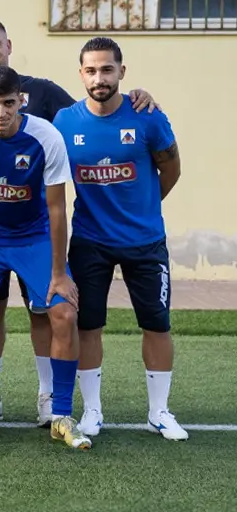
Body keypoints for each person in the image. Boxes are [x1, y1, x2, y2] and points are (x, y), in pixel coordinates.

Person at [0, 16, 156, 423]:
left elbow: (90, 110)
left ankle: (52, 402)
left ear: (9, 45)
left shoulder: (44, 100)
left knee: (50, 312)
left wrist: (133, 100)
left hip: (34, 234)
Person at [0, 65, 89, 449]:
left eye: (9, 103)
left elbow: (58, 209)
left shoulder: (46, 137)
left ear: (21, 101)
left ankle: (60, 413)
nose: (1, 112)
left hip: (34, 237)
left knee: (63, 312)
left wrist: (59, 273)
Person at [55, 38, 186, 440]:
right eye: (91, 71)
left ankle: (159, 412)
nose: (99, 78)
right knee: (88, 325)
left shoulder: (147, 116)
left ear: (121, 73)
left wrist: (144, 206)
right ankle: (92, 411)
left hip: (145, 241)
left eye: (107, 69)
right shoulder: (65, 121)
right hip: (90, 241)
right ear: (81, 75)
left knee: (157, 324)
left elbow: (172, 170)